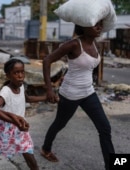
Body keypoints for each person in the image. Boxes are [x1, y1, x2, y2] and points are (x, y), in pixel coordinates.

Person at [41, 21, 115, 170]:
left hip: (88, 92)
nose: (100, 28)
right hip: (70, 94)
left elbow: (88, 68)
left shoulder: (97, 44)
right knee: (59, 124)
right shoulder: (73, 45)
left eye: (101, 25)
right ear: (84, 26)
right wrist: (49, 89)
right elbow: (47, 60)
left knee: (105, 128)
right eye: (96, 25)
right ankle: (45, 148)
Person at [0, 59, 47, 170]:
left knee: (28, 151)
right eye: (16, 73)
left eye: (22, 72)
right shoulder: (6, 91)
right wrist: (13, 119)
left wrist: (46, 98)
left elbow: (28, 98)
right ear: (8, 76)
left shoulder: (21, 87)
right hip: (5, 129)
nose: (20, 76)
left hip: (20, 128)